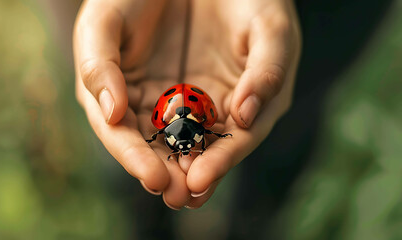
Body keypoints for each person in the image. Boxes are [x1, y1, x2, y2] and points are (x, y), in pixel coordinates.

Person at [73, 0, 301, 210]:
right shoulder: (193, 125)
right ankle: (140, 211)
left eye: (182, 146)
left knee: (278, 149)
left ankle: (254, 214)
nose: (184, 150)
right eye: (186, 145)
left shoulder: (170, 123)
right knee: (129, 165)